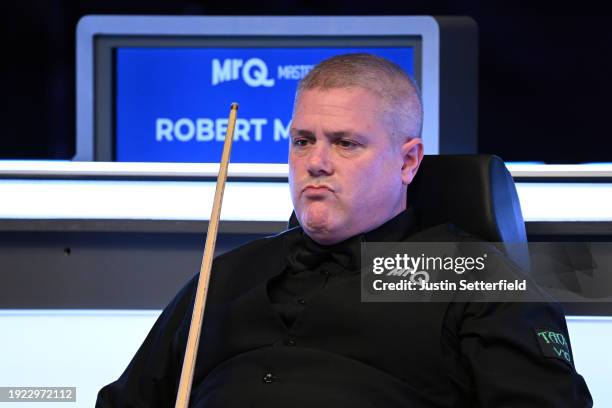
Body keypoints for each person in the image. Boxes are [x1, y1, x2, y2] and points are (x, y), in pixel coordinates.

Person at [96, 53, 592, 407]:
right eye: (302, 140)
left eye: (346, 143)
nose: (315, 162)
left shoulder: (467, 277)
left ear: (408, 161)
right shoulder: (224, 275)